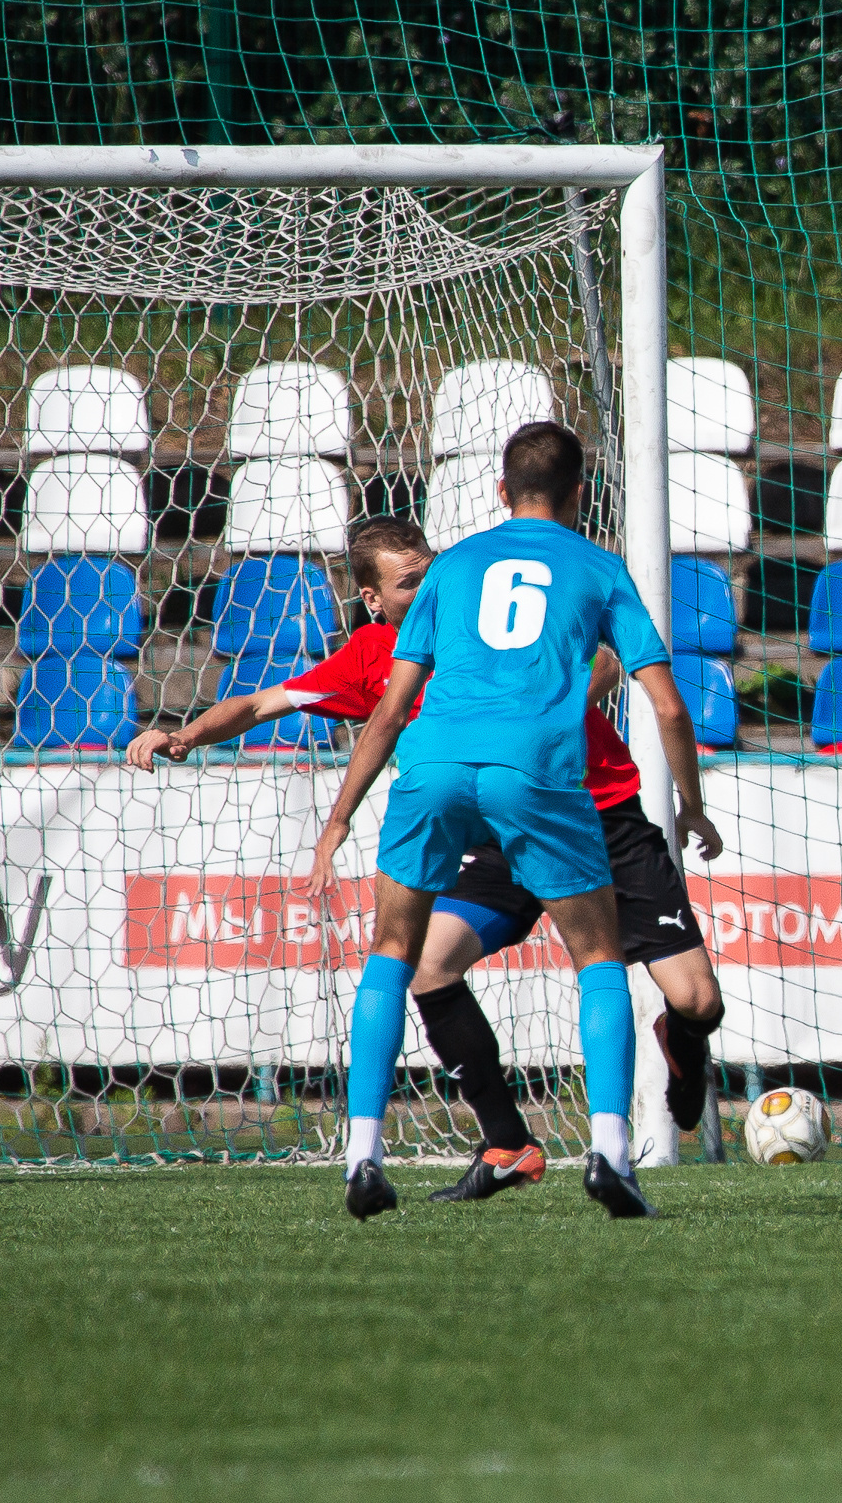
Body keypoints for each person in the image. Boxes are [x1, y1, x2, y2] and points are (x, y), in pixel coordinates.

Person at [131, 517, 728, 1203]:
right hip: (494, 827)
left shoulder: (482, 614)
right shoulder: (374, 656)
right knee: (427, 965)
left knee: (697, 999)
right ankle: (507, 1140)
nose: (426, 585)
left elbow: (617, 654)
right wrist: (187, 734)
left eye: (427, 569)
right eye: (407, 580)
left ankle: (681, 1042)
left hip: (595, 807)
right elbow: (264, 701)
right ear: (373, 599)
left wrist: (564, 704)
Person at [302, 422, 715, 1220]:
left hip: (434, 766)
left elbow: (390, 709)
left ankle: (361, 1156)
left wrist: (340, 816)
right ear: (581, 493)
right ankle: (611, 1155)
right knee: (597, 956)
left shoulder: (450, 567)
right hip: (537, 771)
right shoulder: (598, 567)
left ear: (500, 490)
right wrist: (690, 803)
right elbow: (666, 703)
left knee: (392, 952)